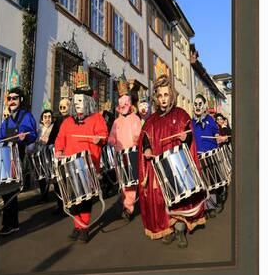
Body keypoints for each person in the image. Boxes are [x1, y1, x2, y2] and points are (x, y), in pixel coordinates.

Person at [138, 75, 206, 248]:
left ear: (171, 95)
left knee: (180, 199)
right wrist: (146, 149)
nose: (163, 99)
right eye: (160, 96)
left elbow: (189, 134)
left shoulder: (181, 114)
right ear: (155, 97)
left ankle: (180, 230)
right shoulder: (151, 120)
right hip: (159, 166)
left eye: (166, 95)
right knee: (162, 198)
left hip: (178, 165)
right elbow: (145, 137)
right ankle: (168, 229)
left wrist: (186, 136)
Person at [54, 69, 108, 243]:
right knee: (73, 197)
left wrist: (99, 138)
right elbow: (60, 138)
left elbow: (104, 136)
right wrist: (59, 151)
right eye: (75, 101)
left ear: (87, 102)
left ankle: (83, 227)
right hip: (70, 165)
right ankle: (78, 225)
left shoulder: (97, 118)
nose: (76, 104)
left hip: (88, 164)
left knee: (85, 199)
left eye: (80, 101)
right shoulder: (68, 121)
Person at [0, 87, 38, 235]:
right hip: (4, 157)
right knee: (5, 191)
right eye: (9, 98)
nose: (11, 101)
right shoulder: (6, 122)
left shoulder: (26, 116)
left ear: (21, 100)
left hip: (16, 156)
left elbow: (32, 133)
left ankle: (11, 224)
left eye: (15, 98)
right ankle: (10, 224)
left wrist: (24, 137)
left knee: (11, 191)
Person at [108, 90, 141, 221]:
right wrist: (111, 141)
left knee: (131, 182)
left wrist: (135, 141)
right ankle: (125, 203)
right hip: (120, 156)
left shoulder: (136, 118)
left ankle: (128, 207)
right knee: (123, 182)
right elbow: (112, 135)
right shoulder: (116, 122)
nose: (122, 109)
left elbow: (139, 134)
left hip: (131, 154)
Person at [192, 94, 224, 218]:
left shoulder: (210, 119)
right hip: (198, 155)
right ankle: (203, 208)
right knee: (202, 183)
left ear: (205, 106)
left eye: (200, 104)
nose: (197, 106)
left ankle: (211, 206)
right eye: (195, 104)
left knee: (211, 182)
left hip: (210, 154)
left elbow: (216, 131)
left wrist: (217, 137)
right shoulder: (191, 122)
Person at [35, 109, 55, 201]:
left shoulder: (54, 128)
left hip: (51, 157)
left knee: (53, 176)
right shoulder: (39, 130)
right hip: (40, 157)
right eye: (45, 117)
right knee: (41, 177)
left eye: (49, 117)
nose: (47, 119)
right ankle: (44, 195)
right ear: (42, 119)